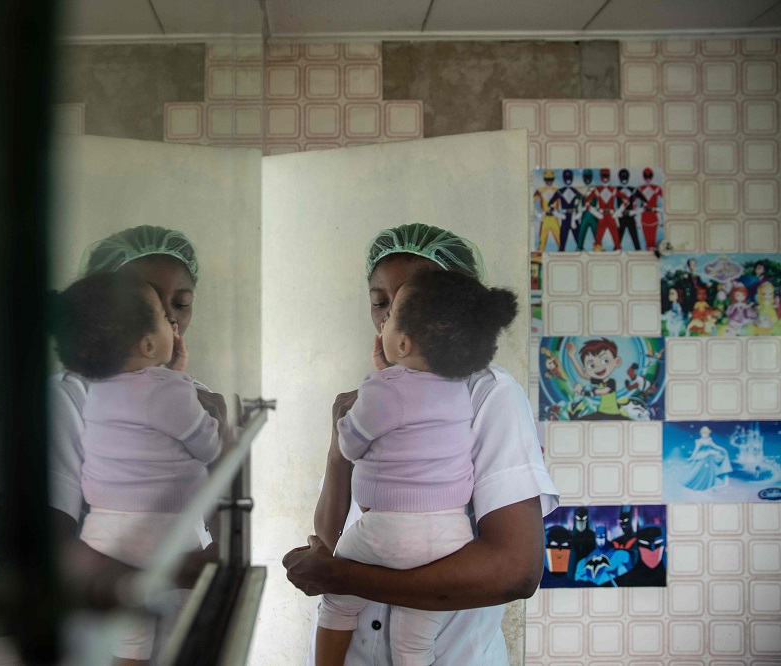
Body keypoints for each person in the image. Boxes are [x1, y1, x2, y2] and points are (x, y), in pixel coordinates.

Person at [283, 223, 559, 666]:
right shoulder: (372, 395)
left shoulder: (488, 394)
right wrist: (338, 447)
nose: (392, 317)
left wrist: (345, 577)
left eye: (411, 301)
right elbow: (336, 540)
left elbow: (515, 571)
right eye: (380, 303)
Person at [316, 269, 518, 665]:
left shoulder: (383, 389)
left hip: (387, 531)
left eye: (391, 315)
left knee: (337, 599)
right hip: (449, 540)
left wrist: (368, 396)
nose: (383, 319)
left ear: (403, 342)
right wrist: (394, 368)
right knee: (414, 643)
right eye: (380, 305)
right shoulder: (463, 391)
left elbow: (350, 443)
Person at [51, 269, 223, 665]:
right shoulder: (170, 390)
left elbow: (141, 417)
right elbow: (208, 444)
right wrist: (213, 419)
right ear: (148, 342)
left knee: (128, 648)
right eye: (165, 315)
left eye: (179, 305)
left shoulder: (99, 391)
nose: (174, 321)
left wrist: (170, 376)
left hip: (104, 534)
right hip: (161, 536)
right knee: (181, 637)